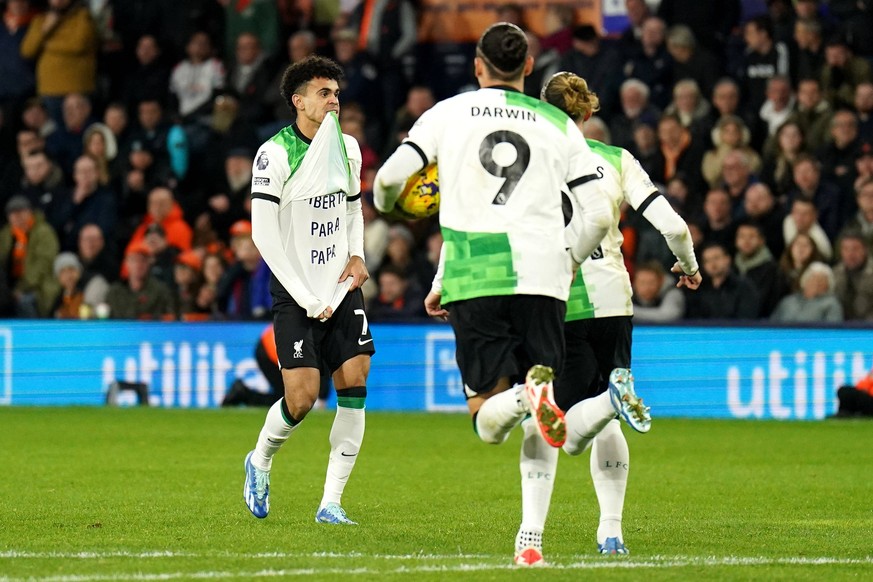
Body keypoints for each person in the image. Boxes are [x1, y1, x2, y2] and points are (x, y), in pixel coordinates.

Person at [374, 23, 615, 566]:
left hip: (475, 273)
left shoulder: (447, 113)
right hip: (544, 276)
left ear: (478, 67)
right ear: (529, 68)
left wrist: (402, 207)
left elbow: (388, 182)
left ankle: (523, 399)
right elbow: (598, 213)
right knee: (541, 405)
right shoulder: (560, 124)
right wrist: (568, 257)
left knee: (487, 420)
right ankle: (530, 541)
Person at [540, 71, 701, 555]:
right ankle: (610, 529)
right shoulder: (617, 159)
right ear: (588, 113)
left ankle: (613, 399)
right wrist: (688, 266)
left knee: (564, 431)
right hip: (615, 301)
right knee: (601, 424)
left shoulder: (530, 164)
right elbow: (672, 226)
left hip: (559, 301)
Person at [242, 56, 373, 527]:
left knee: (355, 382)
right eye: (324, 93)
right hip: (297, 292)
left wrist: (357, 256)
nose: (334, 100)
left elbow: (353, 210)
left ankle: (331, 502)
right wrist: (302, 294)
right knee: (301, 399)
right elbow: (263, 234)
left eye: (336, 92)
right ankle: (259, 460)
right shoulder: (274, 154)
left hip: (340, 287)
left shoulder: (349, 149)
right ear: (298, 102)